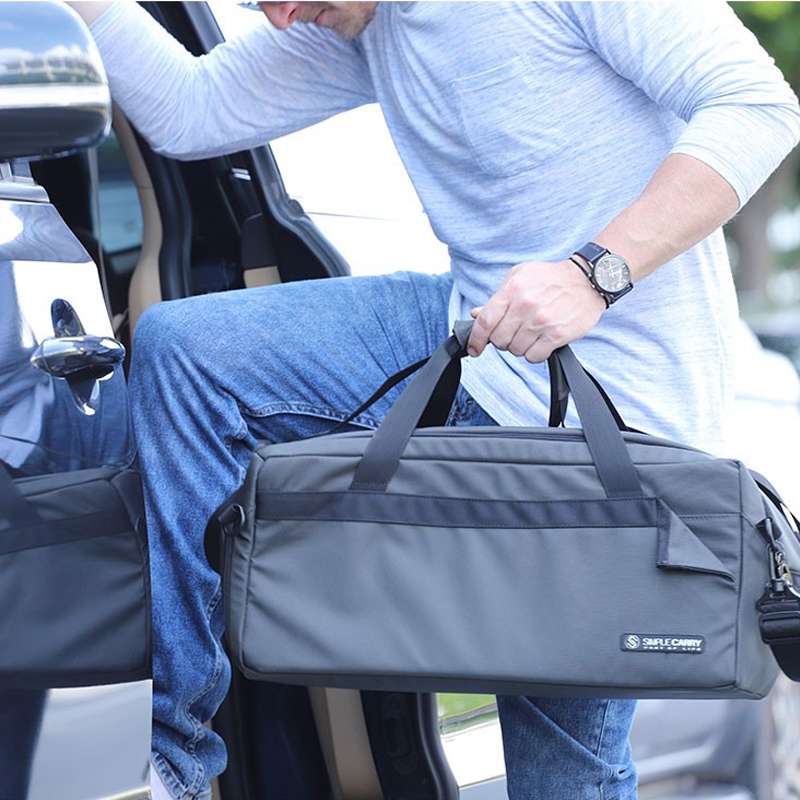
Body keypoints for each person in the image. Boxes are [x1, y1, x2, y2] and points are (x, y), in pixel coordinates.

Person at [70, 1, 800, 798]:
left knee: (565, 770)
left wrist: (595, 273)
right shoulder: (361, 23)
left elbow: (758, 103)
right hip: (472, 325)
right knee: (189, 351)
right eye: (255, 2)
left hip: (615, 408)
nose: (279, 19)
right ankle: (170, 763)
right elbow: (191, 107)